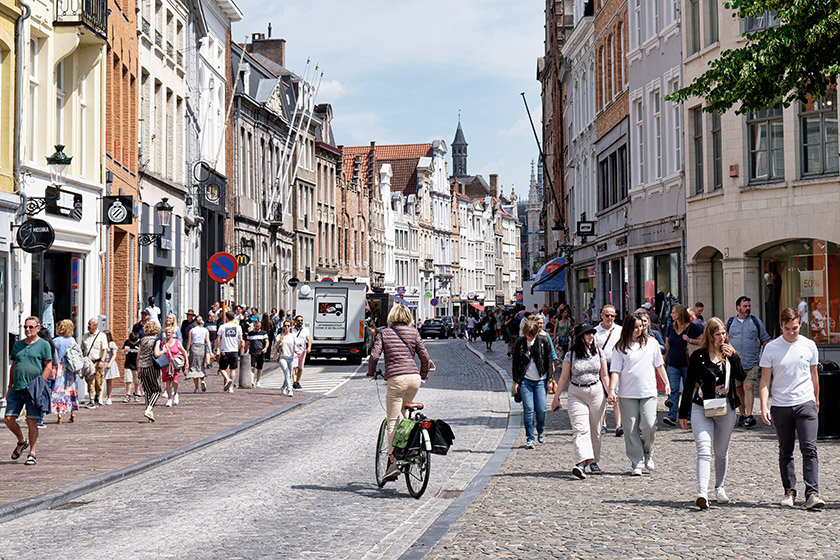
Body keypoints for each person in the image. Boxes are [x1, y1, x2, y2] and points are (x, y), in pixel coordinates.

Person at [759, 307, 824, 509]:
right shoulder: (771, 348)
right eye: (787, 329)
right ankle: (789, 491)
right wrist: (763, 405)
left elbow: (814, 375)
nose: (792, 332)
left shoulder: (809, 345)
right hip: (781, 405)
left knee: (809, 449)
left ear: (799, 324)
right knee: (785, 450)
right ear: (781, 326)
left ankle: (812, 493)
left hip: (806, 403)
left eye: (795, 328)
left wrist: (816, 399)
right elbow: (764, 380)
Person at [679, 318, 746, 509]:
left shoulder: (730, 354)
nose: (722, 338)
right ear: (710, 335)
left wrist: (733, 357)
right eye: (718, 334)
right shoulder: (698, 356)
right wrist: (683, 413)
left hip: (726, 407)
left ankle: (719, 487)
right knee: (704, 450)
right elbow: (690, 384)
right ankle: (702, 492)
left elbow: (741, 377)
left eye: (724, 333)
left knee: (721, 451)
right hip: (702, 407)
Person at [367, 303, 431, 482]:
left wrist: (371, 371)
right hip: (414, 378)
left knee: (393, 422)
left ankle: (394, 462)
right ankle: (412, 448)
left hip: (396, 379)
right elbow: (425, 356)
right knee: (407, 413)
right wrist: (423, 374)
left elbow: (374, 356)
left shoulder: (384, 333)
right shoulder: (414, 332)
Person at [608, 312, 670, 476]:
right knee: (631, 428)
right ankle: (637, 461)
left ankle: (648, 452)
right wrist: (611, 390)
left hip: (648, 390)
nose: (639, 329)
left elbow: (659, 365)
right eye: (635, 327)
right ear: (628, 328)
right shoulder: (620, 347)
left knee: (648, 425)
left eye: (641, 326)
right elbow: (615, 371)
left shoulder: (652, 343)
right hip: (627, 393)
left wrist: (667, 383)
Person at [551, 323, 610, 478]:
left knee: (595, 429)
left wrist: (610, 392)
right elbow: (563, 378)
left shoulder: (599, 352)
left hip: (596, 391)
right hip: (576, 392)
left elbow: (604, 375)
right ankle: (581, 462)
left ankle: (594, 460)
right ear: (579, 337)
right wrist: (556, 397)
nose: (591, 336)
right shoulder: (571, 355)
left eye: (592, 333)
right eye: (587, 334)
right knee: (580, 429)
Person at [5, 316, 52, 465]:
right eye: (26, 327)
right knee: (8, 419)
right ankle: (21, 441)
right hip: (17, 388)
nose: (28, 330)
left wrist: (40, 383)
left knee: (31, 421)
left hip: (33, 390)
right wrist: (9, 386)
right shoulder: (18, 345)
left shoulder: (43, 345)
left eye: (31, 327)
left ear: (38, 328)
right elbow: (14, 366)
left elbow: (49, 365)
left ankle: (32, 453)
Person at [726, 296, 771, 428]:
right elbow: (723, 340)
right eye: (745, 306)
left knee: (748, 387)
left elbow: (765, 339)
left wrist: (768, 359)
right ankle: (743, 415)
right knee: (739, 389)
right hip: (735, 363)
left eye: (749, 306)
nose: (748, 308)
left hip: (752, 362)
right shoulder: (729, 322)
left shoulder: (755, 322)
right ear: (738, 307)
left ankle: (750, 415)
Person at [512, 317, 554, 449]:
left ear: (536, 333)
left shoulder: (543, 341)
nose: (529, 338)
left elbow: (548, 361)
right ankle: (530, 438)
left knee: (541, 409)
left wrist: (550, 379)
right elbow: (515, 363)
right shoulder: (520, 342)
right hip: (526, 381)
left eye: (532, 335)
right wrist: (516, 381)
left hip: (541, 380)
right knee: (528, 410)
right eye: (527, 335)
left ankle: (540, 429)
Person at [663, 305, 704, 426]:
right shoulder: (670, 328)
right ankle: (672, 416)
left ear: (680, 314)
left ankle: (688, 415)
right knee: (674, 389)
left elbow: (702, 341)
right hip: (673, 363)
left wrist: (690, 340)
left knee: (688, 390)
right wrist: (664, 359)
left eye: (673, 312)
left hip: (688, 364)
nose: (671, 314)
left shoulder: (692, 328)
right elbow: (667, 345)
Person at [595, 305, 622, 436]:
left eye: (612, 315)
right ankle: (603, 423)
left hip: (616, 366)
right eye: (607, 315)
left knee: (615, 394)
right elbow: (592, 350)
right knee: (602, 395)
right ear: (601, 316)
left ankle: (618, 425)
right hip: (601, 367)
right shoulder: (595, 331)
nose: (610, 318)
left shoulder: (620, 330)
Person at [51, 319, 80, 423]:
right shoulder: (72, 340)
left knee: (59, 389)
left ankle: (59, 415)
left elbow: (53, 356)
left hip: (59, 367)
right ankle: (73, 413)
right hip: (70, 368)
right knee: (71, 389)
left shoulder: (55, 341)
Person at [137, 321, 162, 422]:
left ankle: (149, 414)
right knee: (157, 390)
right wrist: (164, 351)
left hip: (142, 366)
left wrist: (138, 369)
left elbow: (138, 356)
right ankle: (149, 408)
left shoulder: (142, 340)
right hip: (152, 367)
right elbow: (156, 354)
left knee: (147, 391)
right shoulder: (157, 340)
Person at [156, 326, 187, 407]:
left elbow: (184, 351)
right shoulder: (163, 343)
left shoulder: (177, 342)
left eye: (169, 333)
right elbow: (159, 352)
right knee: (167, 383)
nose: (168, 334)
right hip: (165, 364)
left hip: (175, 364)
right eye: (166, 333)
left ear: (173, 333)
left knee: (175, 381)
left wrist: (187, 361)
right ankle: (169, 399)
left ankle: (176, 393)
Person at [81, 317, 109, 407]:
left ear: (95, 326)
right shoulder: (85, 336)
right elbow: (82, 349)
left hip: (98, 361)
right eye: (88, 324)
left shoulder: (102, 336)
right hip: (88, 362)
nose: (88, 326)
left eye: (90, 324)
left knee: (98, 380)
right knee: (90, 380)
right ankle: (91, 399)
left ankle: (98, 397)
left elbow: (105, 349)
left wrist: (102, 361)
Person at [215, 310, 244, 393]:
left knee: (222, 368)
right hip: (234, 350)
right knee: (233, 369)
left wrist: (216, 348)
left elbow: (218, 339)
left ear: (226, 318)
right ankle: (231, 388)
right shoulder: (238, 327)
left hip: (225, 350)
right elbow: (241, 340)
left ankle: (227, 379)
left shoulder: (222, 327)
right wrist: (238, 348)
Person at [186, 316, 210, 393]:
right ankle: (202, 380)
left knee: (194, 367)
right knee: (201, 365)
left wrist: (187, 351)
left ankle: (196, 388)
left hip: (194, 348)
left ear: (195, 322)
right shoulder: (205, 330)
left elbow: (189, 342)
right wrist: (210, 351)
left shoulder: (192, 330)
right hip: (202, 347)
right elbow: (207, 341)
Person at [274, 319, 296, 396]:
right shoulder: (280, 336)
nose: (286, 327)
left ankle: (283, 387)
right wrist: (279, 342)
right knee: (286, 373)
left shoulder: (293, 336)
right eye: (285, 326)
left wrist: (300, 345)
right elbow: (276, 347)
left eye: (288, 326)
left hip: (291, 357)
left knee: (289, 375)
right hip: (282, 357)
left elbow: (297, 343)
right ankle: (290, 390)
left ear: (290, 327)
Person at [248, 315, 270, 387]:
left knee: (259, 368)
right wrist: (244, 351)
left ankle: (258, 381)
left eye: (258, 327)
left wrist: (265, 348)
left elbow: (267, 341)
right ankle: (252, 381)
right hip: (252, 352)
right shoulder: (250, 333)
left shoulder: (263, 333)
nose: (257, 328)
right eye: (256, 326)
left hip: (261, 352)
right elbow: (247, 343)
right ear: (254, 326)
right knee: (252, 367)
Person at [292, 315, 312, 390]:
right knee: (294, 366)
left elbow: (309, 339)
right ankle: (294, 381)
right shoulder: (292, 330)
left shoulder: (305, 330)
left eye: (301, 320)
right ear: (295, 321)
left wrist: (309, 347)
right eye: (298, 320)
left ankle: (298, 381)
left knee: (300, 367)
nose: (300, 322)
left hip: (302, 351)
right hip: (294, 350)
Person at [122, 331, 141, 403]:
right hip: (128, 364)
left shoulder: (140, 343)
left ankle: (136, 394)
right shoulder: (127, 342)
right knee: (128, 380)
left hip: (137, 365)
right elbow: (123, 350)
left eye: (134, 342)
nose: (133, 343)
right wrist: (125, 351)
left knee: (137, 381)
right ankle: (128, 395)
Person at [102, 331, 120, 405]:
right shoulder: (102, 343)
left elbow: (114, 354)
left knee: (109, 381)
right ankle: (100, 397)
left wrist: (110, 363)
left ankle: (109, 398)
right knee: (101, 381)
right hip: (103, 362)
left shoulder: (111, 344)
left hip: (109, 363)